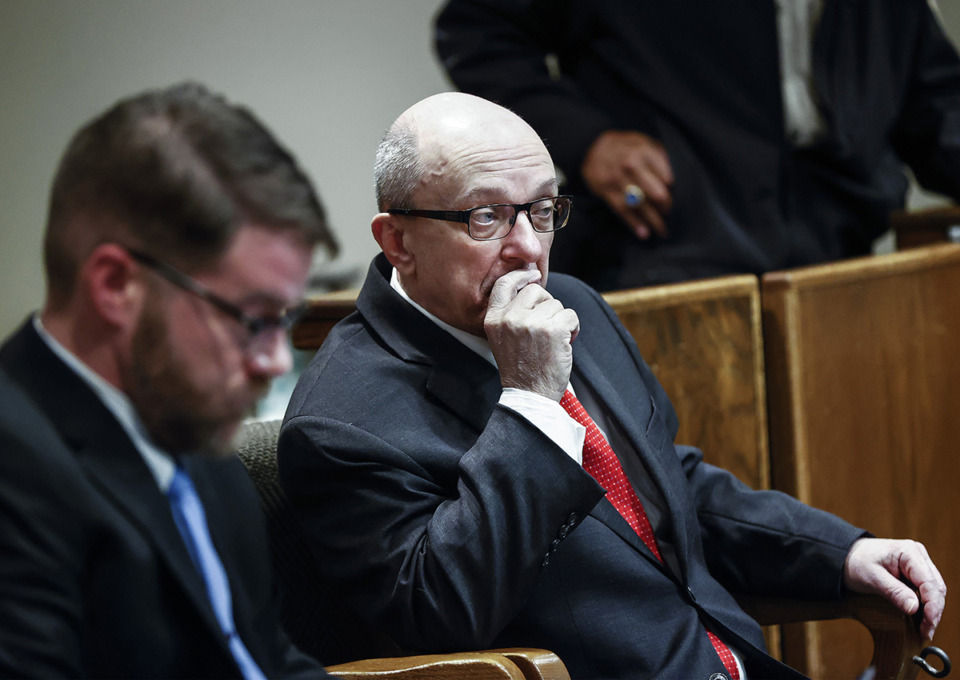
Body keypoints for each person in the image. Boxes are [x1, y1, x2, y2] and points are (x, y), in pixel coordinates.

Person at [277, 92, 946, 680]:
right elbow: (445, 612)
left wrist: (843, 553)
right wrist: (532, 402)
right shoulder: (342, 420)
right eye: (486, 218)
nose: (528, 249)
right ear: (397, 241)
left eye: (542, 210)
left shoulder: (575, 304)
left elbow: (670, 489)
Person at [0, 82, 339, 678]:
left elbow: (268, 662)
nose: (277, 361)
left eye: (283, 322)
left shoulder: (195, 435)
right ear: (114, 286)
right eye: (253, 319)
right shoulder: (16, 464)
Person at [433, 0, 960, 290]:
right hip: (664, 260)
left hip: (846, 268)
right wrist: (586, 140)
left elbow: (936, 111)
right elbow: (477, 30)